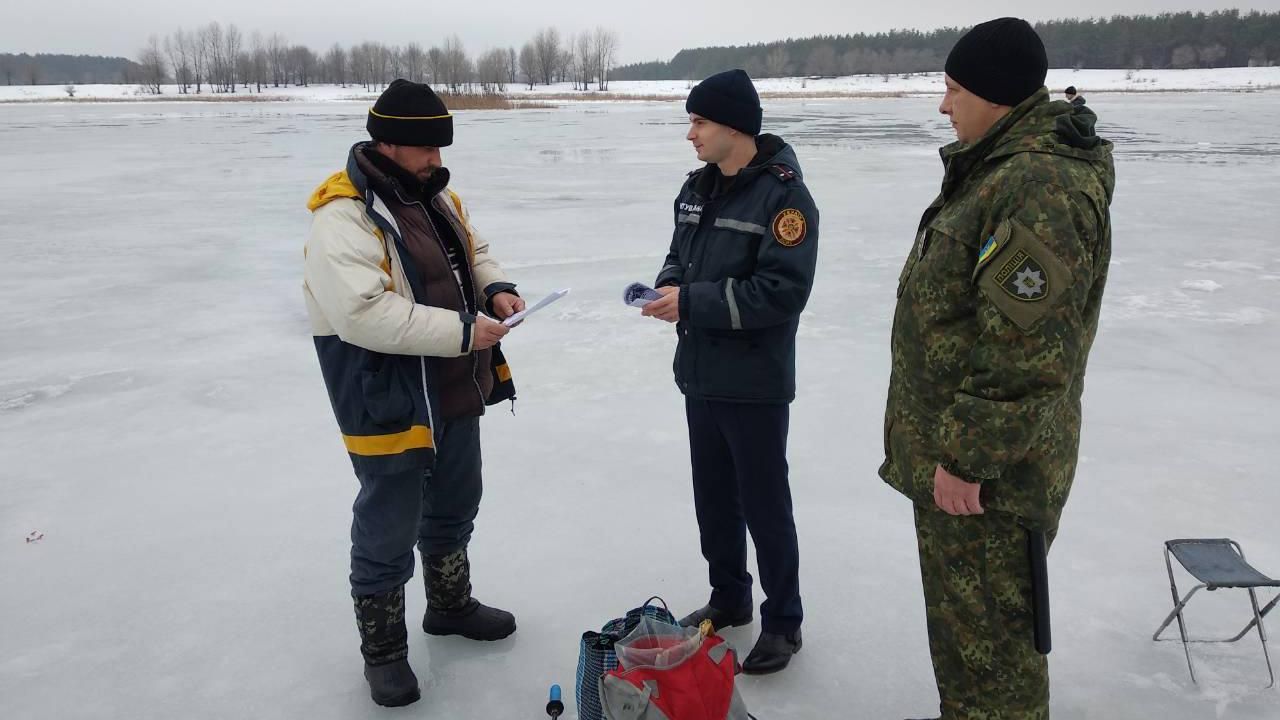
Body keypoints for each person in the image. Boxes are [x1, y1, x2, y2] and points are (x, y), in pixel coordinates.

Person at [879, 18, 1115, 720]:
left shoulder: (1037, 185)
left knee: (994, 650)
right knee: (968, 639)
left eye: (953, 89)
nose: (943, 105)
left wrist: (968, 459)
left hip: (989, 480)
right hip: (963, 463)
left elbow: (1028, 354)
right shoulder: (998, 169)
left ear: (995, 94)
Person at [303, 79, 523, 707]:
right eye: (426, 148)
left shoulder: (436, 195)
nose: (437, 159)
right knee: (389, 519)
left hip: (453, 380)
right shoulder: (344, 213)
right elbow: (363, 313)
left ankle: (449, 607)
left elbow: (471, 251)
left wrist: (495, 289)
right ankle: (385, 653)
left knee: (457, 498)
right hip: (388, 393)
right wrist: (462, 330)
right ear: (389, 142)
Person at [643, 68, 819, 675]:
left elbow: (781, 292)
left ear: (734, 127)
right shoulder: (697, 187)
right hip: (701, 374)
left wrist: (692, 302)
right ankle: (730, 598)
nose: (690, 133)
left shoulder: (784, 198)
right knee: (714, 499)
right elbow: (679, 253)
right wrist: (668, 285)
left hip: (754, 383)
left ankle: (784, 622)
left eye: (699, 121)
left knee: (764, 504)